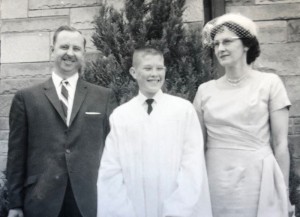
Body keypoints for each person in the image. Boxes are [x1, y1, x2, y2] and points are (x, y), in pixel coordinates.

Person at [6, 25, 117, 217]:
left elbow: (114, 151)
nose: (70, 53)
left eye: (76, 49)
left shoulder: (103, 97)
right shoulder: (26, 98)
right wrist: (15, 204)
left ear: (83, 54)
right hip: (41, 200)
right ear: (52, 51)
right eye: (64, 47)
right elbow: (17, 155)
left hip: (89, 199)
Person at [193, 13, 292, 217]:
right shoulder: (205, 90)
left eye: (227, 41)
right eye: (216, 44)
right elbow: (196, 146)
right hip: (215, 179)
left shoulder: (269, 83)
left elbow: (281, 144)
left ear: (246, 44)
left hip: (256, 178)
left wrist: (283, 192)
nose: (220, 49)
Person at [97, 47, 212, 217]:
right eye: (148, 68)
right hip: (133, 207)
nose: (155, 74)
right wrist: (122, 211)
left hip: (176, 206)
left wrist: (178, 210)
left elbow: (192, 165)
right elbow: (111, 169)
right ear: (134, 72)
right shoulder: (121, 116)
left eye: (160, 68)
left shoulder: (182, 110)